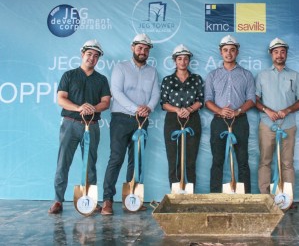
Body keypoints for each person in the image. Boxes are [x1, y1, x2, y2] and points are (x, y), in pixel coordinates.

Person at [48, 40, 111, 214]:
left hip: (91, 126)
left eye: (96, 56)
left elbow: (105, 102)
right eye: (89, 54)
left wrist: (92, 108)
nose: (92, 58)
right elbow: (61, 99)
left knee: (90, 164)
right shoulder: (69, 75)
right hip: (70, 123)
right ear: (82, 54)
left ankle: (90, 201)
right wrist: (79, 108)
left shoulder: (101, 79)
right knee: (63, 163)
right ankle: (58, 201)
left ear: (98, 59)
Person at [101, 33, 160, 215]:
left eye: (146, 48)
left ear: (149, 51)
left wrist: (148, 108)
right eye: (140, 47)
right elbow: (116, 92)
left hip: (142, 120)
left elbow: (156, 94)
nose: (143, 51)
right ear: (133, 48)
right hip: (121, 118)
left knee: (136, 161)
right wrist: (136, 108)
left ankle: (131, 200)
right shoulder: (121, 67)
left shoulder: (152, 72)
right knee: (116, 159)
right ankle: (107, 201)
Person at [255, 37, 299, 208]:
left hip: (288, 125)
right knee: (265, 161)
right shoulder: (262, 75)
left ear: (286, 54)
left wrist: (287, 110)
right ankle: (266, 198)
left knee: (287, 162)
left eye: (282, 52)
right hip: (267, 125)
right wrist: (267, 111)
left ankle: (287, 198)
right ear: (271, 54)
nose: (279, 55)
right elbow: (254, 99)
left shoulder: (295, 75)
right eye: (276, 52)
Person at [205, 35, 256, 193]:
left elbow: (251, 99)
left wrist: (238, 111)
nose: (229, 53)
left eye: (232, 50)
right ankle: (215, 196)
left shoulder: (246, 75)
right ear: (221, 53)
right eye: (225, 50)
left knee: (242, 160)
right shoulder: (212, 75)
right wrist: (220, 110)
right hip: (219, 122)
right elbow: (207, 100)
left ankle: (245, 197)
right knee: (217, 160)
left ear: (237, 52)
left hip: (240, 121)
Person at [160, 44, 204, 188]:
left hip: (193, 119)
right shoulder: (168, 80)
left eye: (186, 59)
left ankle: (190, 193)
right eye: (180, 59)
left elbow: (200, 100)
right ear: (175, 61)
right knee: (173, 157)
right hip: (173, 119)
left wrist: (189, 109)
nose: (183, 62)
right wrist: (178, 110)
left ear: (189, 60)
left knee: (191, 158)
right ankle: (175, 191)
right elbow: (164, 103)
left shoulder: (196, 79)